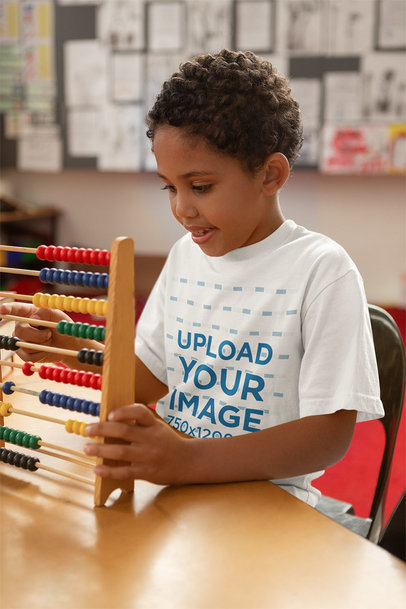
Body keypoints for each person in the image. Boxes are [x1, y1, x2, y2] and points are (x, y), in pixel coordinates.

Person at [0, 49, 384, 506]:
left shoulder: (322, 271)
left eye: (199, 186)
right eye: (170, 186)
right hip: (176, 492)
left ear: (271, 175)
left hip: (270, 508)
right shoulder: (186, 256)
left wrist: (187, 461)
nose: (181, 208)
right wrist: (62, 339)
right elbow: (145, 382)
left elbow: (328, 438)